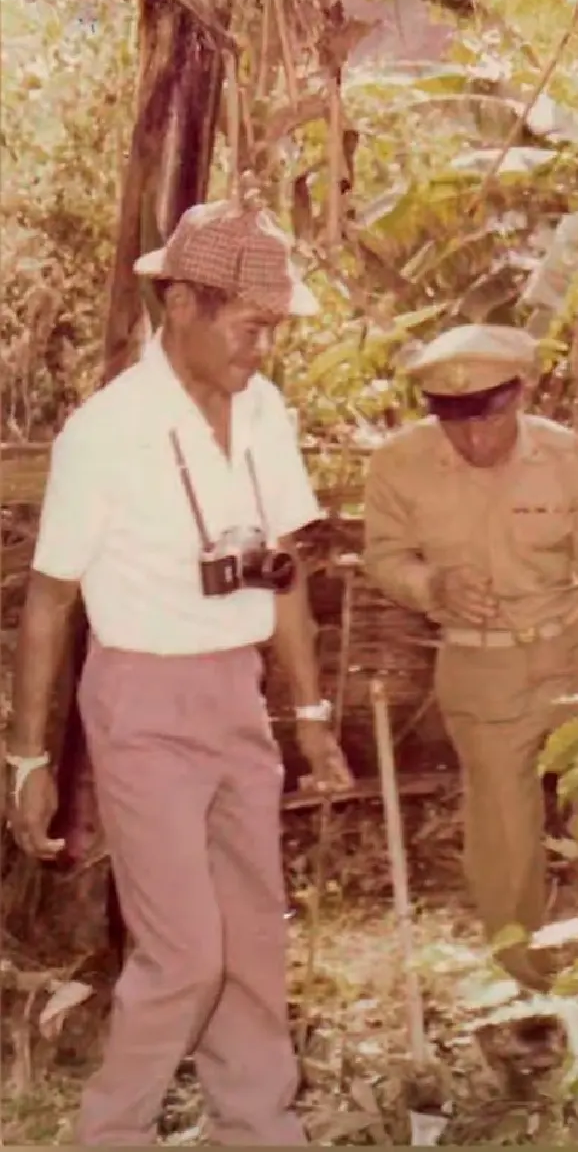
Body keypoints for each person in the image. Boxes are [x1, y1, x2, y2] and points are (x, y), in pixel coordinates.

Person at [3, 198, 353, 1146]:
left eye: (274, 328)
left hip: (235, 694)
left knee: (253, 935)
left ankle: (258, 1125)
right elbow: (50, 599)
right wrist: (28, 759)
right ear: (185, 303)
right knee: (187, 953)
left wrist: (310, 713)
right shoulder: (107, 432)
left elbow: (283, 567)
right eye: (250, 325)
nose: (264, 347)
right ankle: (109, 1134)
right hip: (142, 704)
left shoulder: (265, 412)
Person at [362, 323, 578, 997]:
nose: (475, 439)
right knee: (504, 837)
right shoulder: (399, 464)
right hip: (480, 669)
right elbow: (385, 556)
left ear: (521, 394)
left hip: (573, 653)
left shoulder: (571, 459)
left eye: (488, 416)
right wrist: (430, 586)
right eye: (453, 420)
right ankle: (525, 989)